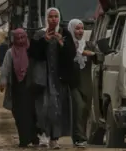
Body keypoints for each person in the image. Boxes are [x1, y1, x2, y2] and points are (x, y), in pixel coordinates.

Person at [29, 8, 75, 149]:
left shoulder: (65, 34)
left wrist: (62, 44)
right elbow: (33, 54)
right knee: (42, 108)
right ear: (46, 19)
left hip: (58, 78)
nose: (53, 19)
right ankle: (42, 135)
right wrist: (44, 41)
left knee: (57, 108)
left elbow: (71, 54)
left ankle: (54, 138)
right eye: (50, 17)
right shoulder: (40, 34)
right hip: (43, 78)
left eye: (56, 16)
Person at [0, 28, 38, 147]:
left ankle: (34, 137)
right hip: (17, 88)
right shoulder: (10, 52)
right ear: (14, 39)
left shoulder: (31, 50)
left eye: (23, 37)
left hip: (31, 87)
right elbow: (5, 68)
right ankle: (24, 140)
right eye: (18, 38)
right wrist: (3, 81)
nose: (21, 40)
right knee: (19, 115)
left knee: (32, 113)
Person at [68, 19, 97, 148]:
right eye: (77, 28)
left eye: (81, 28)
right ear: (71, 30)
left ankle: (79, 137)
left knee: (85, 110)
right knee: (78, 108)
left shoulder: (88, 45)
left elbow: (99, 57)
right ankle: (80, 137)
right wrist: (78, 52)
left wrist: (92, 53)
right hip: (74, 83)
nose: (80, 31)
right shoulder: (67, 45)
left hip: (86, 83)